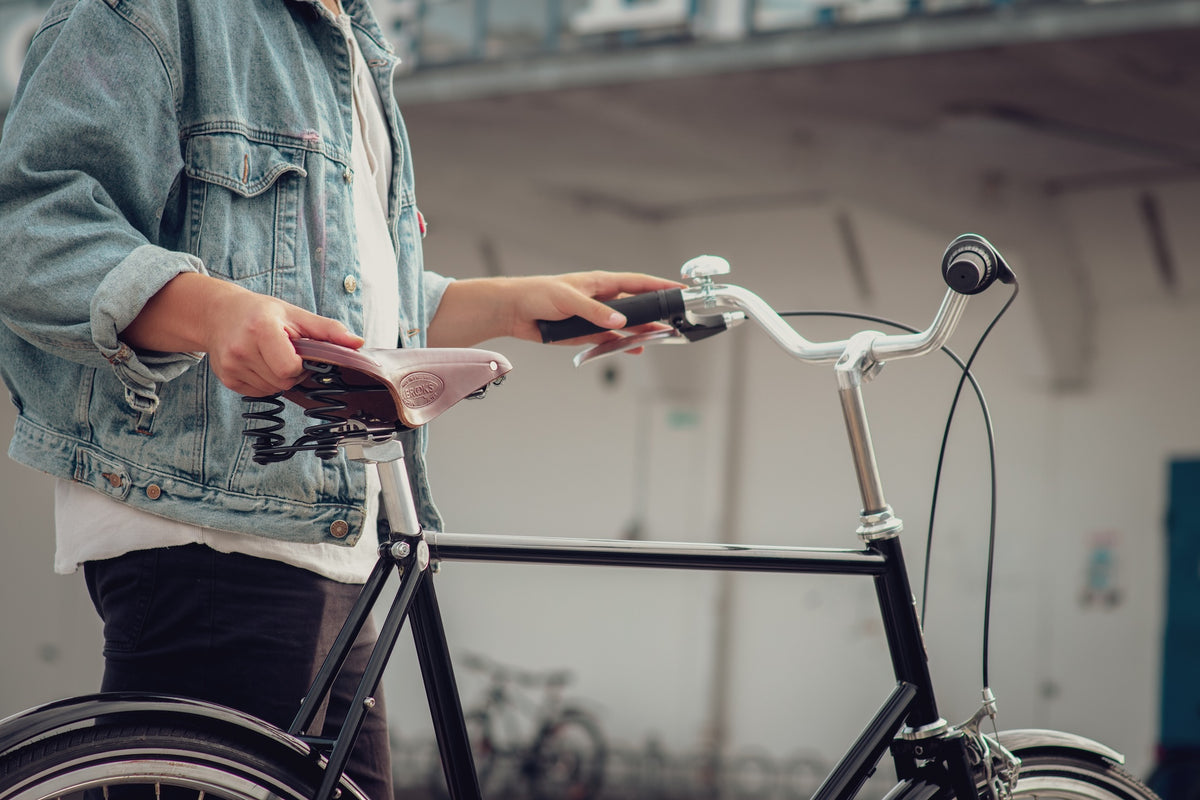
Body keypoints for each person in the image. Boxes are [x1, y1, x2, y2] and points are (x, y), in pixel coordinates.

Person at [0, 0, 679, 796]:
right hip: (210, 529)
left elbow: (325, 298)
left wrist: (507, 304)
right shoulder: (156, 11)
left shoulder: (346, 38)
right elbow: (33, 231)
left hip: (334, 533)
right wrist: (215, 311)